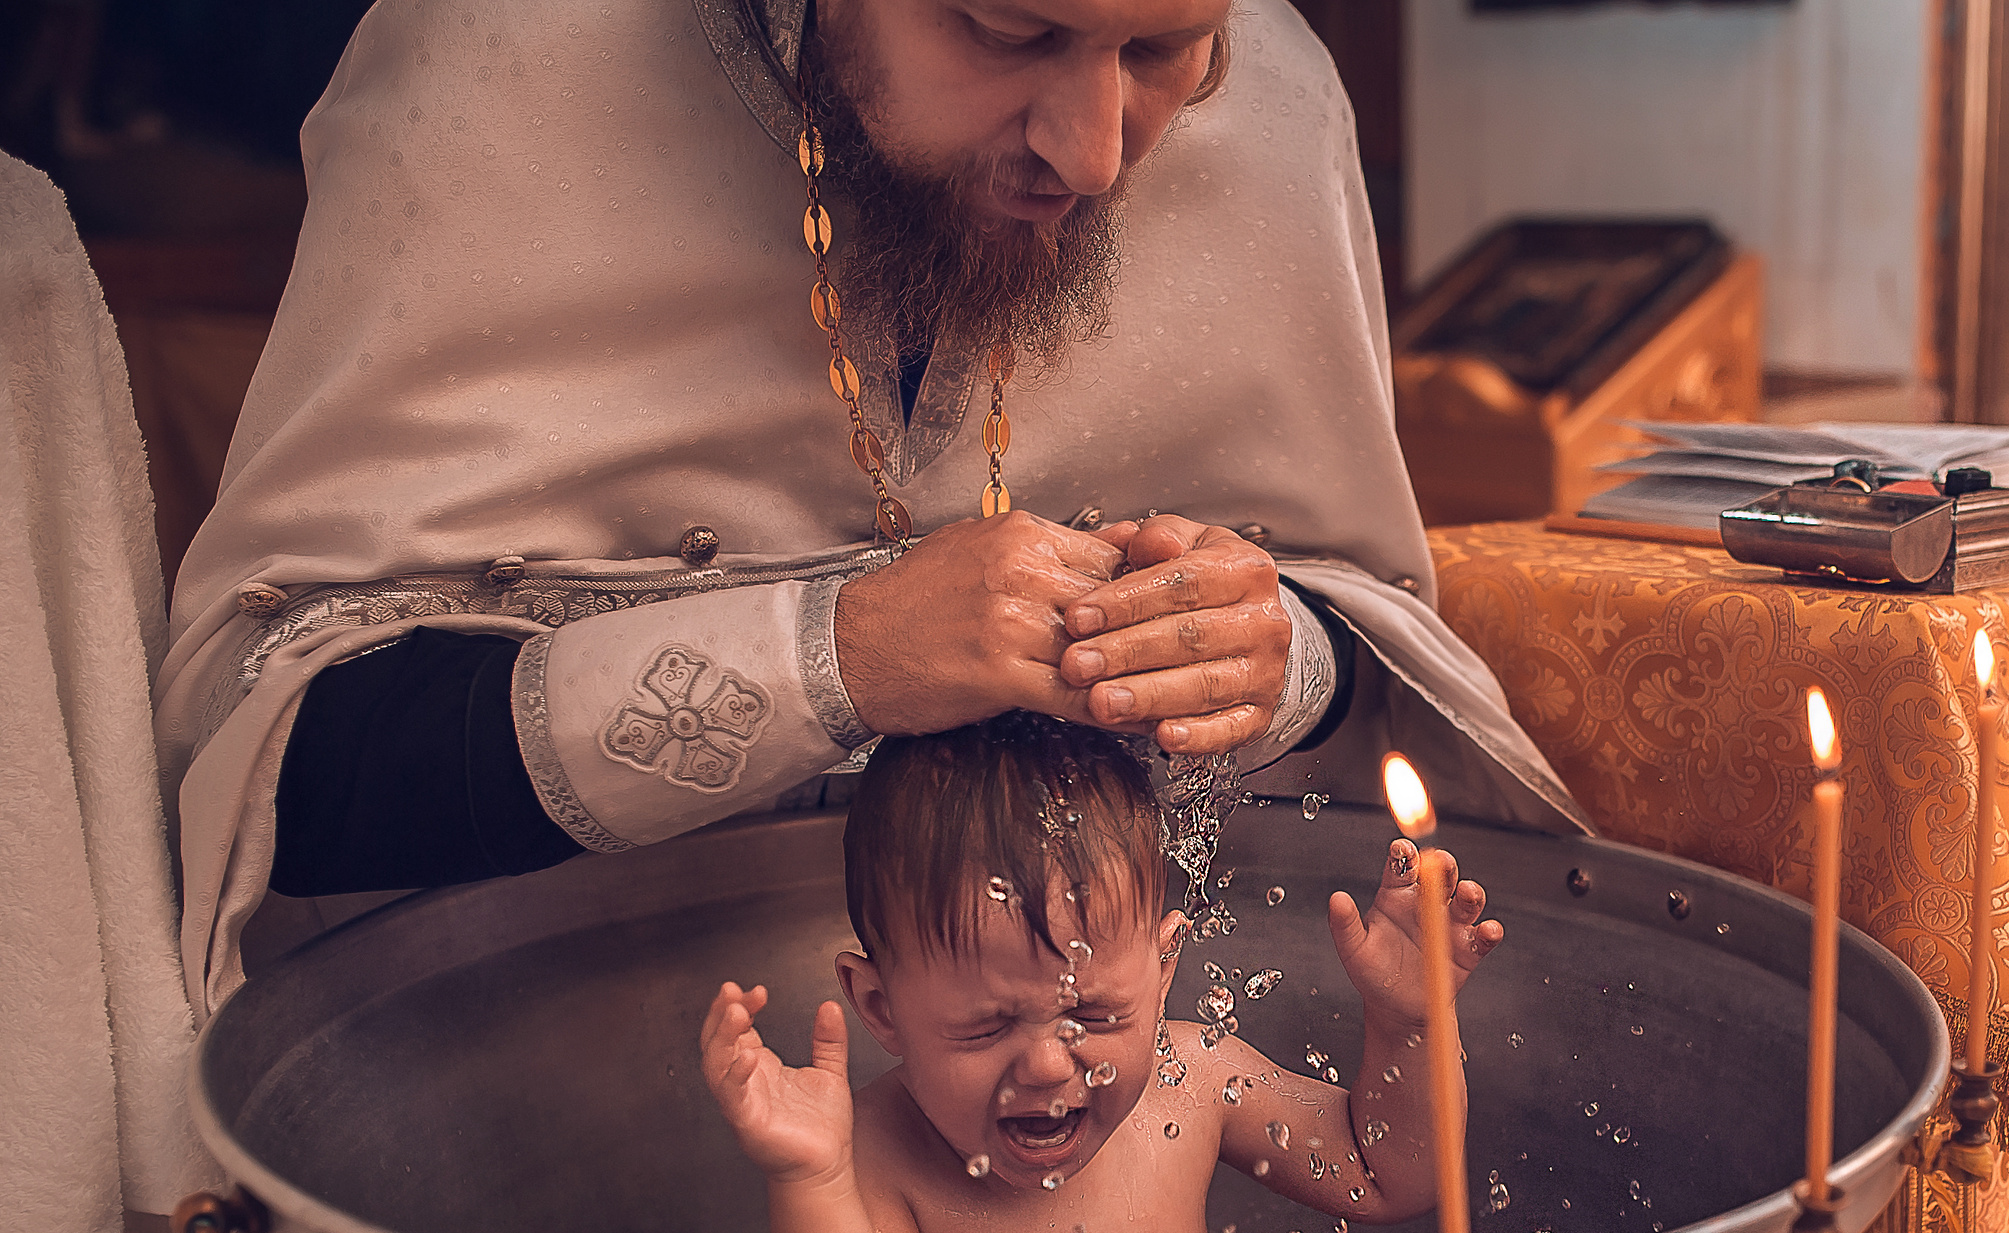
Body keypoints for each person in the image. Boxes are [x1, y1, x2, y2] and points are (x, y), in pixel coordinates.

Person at [154, 0, 1586, 1014]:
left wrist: (1275, 655)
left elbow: (1364, 618)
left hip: (1112, 1082)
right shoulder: (504, 59)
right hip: (567, 1093)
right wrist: (827, 657)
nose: (1093, 150)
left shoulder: (1275, 104)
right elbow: (286, 764)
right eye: (1010, 33)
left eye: (1162, 52)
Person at [698, 715, 1499, 1233]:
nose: (1048, 1064)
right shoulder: (874, 1157)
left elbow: (1386, 1174)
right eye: (985, 1027)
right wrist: (810, 1178)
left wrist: (1409, 1022)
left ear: (1163, 967)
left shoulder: (1195, 1078)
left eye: (1095, 1011)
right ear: (882, 1007)